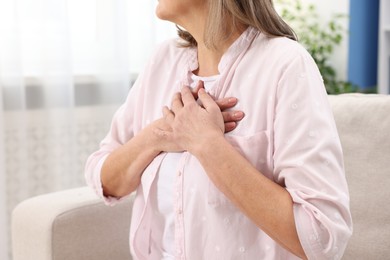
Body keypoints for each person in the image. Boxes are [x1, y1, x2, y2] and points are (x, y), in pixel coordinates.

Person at [85, 0, 353, 259]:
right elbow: (105, 178)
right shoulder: (163, 61)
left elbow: (322, 239)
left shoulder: (285, 65)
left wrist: (207, 144)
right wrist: (157, 136)